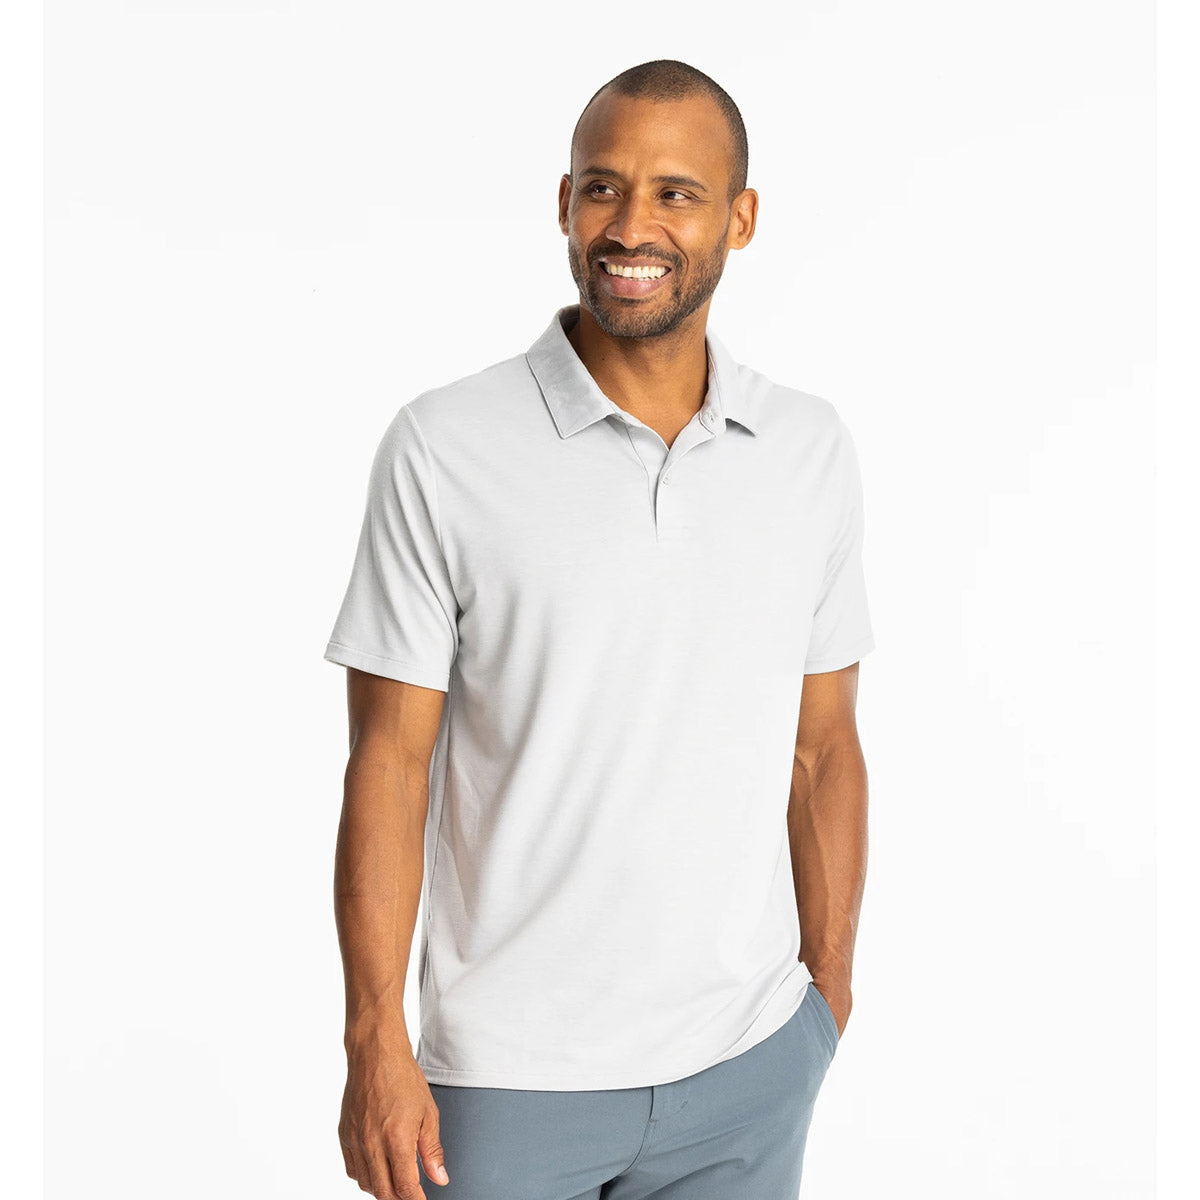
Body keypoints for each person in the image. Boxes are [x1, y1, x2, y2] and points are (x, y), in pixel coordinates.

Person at [325, 58, 875, 1200]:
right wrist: (374, 1040)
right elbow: (389, 762)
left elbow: (823, 747)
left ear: (741, 218)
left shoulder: (809, 450)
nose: (631, 227)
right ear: (565, 203)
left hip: (750, 1064)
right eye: (603, 188)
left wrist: (824, 997)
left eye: (677, 193)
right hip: (506, 1088)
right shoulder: (443, 447)